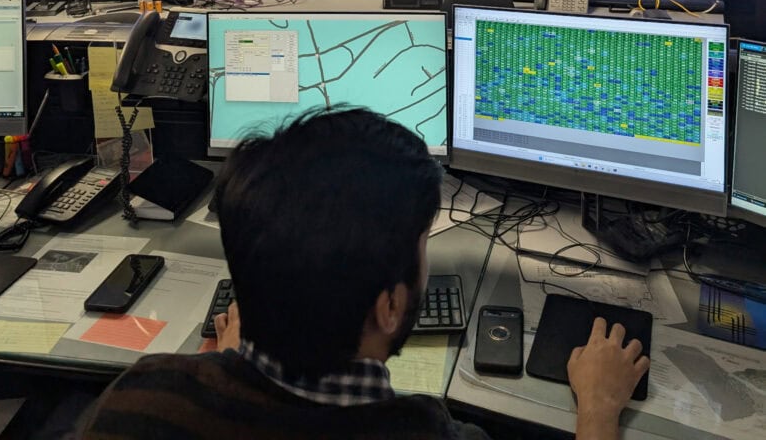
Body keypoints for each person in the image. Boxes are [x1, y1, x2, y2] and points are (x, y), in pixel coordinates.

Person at [78, 108, 648, 440]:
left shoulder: (139, 397)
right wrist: (598, 408)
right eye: (424, 244)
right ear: (389, 306)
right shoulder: (430, 433)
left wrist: (219, 368)